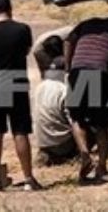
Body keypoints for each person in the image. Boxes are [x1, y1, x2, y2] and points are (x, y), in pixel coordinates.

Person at [0, 0, 42, 192]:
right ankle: (28, 178)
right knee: (20, 131)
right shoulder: (22, 29)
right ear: (9, 6)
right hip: (15, 80)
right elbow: (25, 51)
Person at [65, 15, 108, 183]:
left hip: (78, 70)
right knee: (100, 123)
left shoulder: (87, 23)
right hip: (98, 72)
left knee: (77, 118)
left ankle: (85, 155)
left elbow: (68, 41)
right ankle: (102, 166)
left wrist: (68, 66)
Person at [33, 36, 80, 164]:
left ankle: (49, 154)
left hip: (43, 142)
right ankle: (74, 154)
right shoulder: (64, 88)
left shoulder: (40, 88)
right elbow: (74, 120)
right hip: (63, 144)